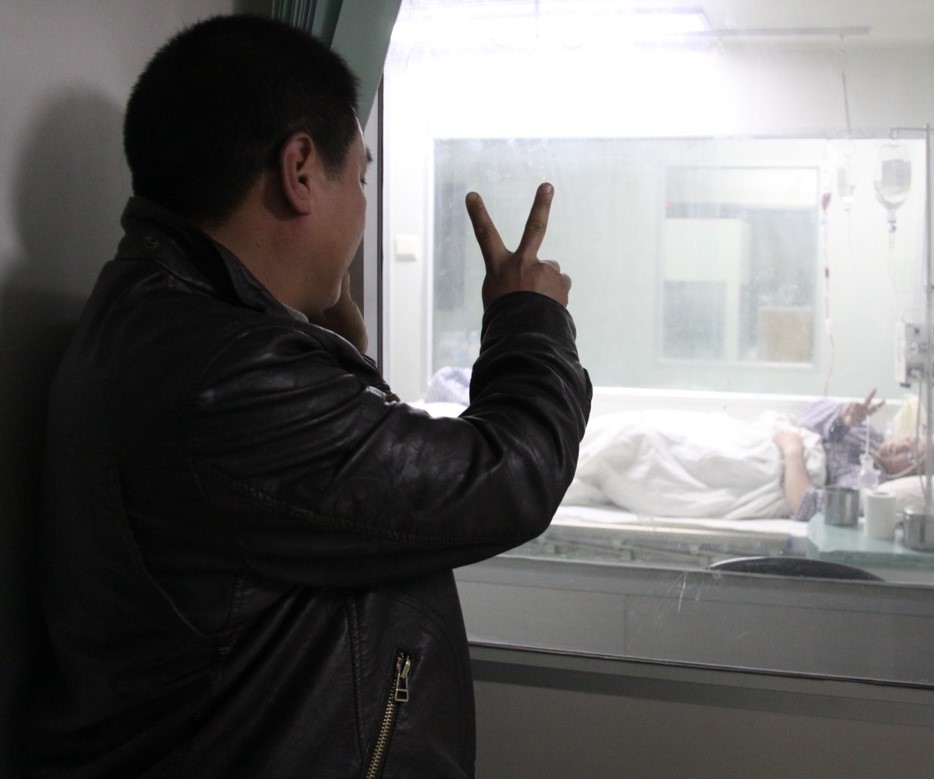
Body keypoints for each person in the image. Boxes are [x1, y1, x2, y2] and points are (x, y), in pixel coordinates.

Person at [23, 15, 590, 779]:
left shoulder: (152, 318)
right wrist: (530, 317)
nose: (362, 204)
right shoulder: (229, 375)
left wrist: (336, 357)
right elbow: (508, 477)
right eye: (359, 177)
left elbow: (328, 506)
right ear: (299, 170)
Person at [774, 389, 934, 522]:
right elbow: (807, 414)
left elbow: (804, 505)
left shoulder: (866, 482)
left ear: (910, 477)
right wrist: (841, 419)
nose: (903, 446)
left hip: (782, 458)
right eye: (913, 440)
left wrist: (792, 451)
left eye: (912, 455)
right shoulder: (871, 436)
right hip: (778, 434)